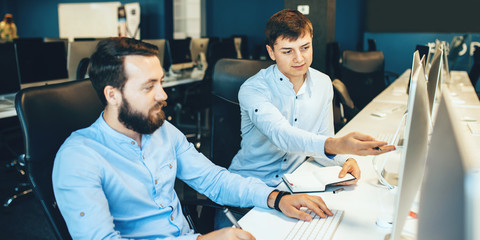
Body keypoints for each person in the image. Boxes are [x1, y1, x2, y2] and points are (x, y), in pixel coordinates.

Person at [52, 37, 335, 240]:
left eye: (161, 82)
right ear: (112, 94)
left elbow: (213, 179)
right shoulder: (79, 157)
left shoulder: (162, 131)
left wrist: (276, 198)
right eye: (149, 86)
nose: (163, 95)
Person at [229, 9, 395, 188]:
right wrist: (337, 145)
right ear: (271, 52)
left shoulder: (323, 84)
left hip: (293, 184)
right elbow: (281, 135)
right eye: (287, 51)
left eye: (305, 47)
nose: (299, 58)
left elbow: (321, 144)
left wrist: (344, 159)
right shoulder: (253, 88)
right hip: (248, 187)